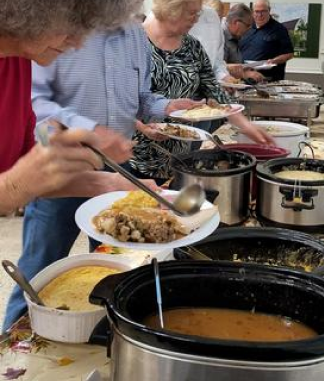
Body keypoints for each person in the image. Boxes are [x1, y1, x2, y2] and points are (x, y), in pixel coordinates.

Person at [3, 23, 200, 331]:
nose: (76, 43)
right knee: (40, 267)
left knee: (112, 265)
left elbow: (141, 97)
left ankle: (98, 331)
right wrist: (88, 132)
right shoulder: (32, 46)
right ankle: (13, 343)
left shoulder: (134, 33)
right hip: (53, 164)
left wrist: (114, 183)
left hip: (108, 168)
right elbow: (38, 112)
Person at [0, 0, 145, 217]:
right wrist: (15, 187)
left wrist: (110, 184)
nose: (77, 44)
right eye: (69, 27)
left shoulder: (19, 60)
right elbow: (18, 181)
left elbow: (29, 172)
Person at [130, 0, 275, 181]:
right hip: (132, 156)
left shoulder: (192, 46)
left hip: (180, 154)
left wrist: (245, 125)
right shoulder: (132, 43)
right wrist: (142, 127)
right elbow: (116, 103)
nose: (196, 20)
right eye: (192, 13)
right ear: (171, 10)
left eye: (198, 13)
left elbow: (214, 90)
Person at [239, 0, 294, 81]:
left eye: (263, 11)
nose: (260, 15)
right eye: (257, 11)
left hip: (268, 80)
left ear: (269, 10)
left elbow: (289, 54)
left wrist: (274, 61)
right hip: (244, 78)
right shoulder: (247, 27)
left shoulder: (279, 29)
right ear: (252, 12)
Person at [223, 3, 265, 82]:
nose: (249, 30)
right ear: (236, 22)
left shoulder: (235, 36)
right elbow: (215, 68)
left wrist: (247, 70)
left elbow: (235, 64)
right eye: (247, 25)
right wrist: (245, 74)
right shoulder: (219, 35)